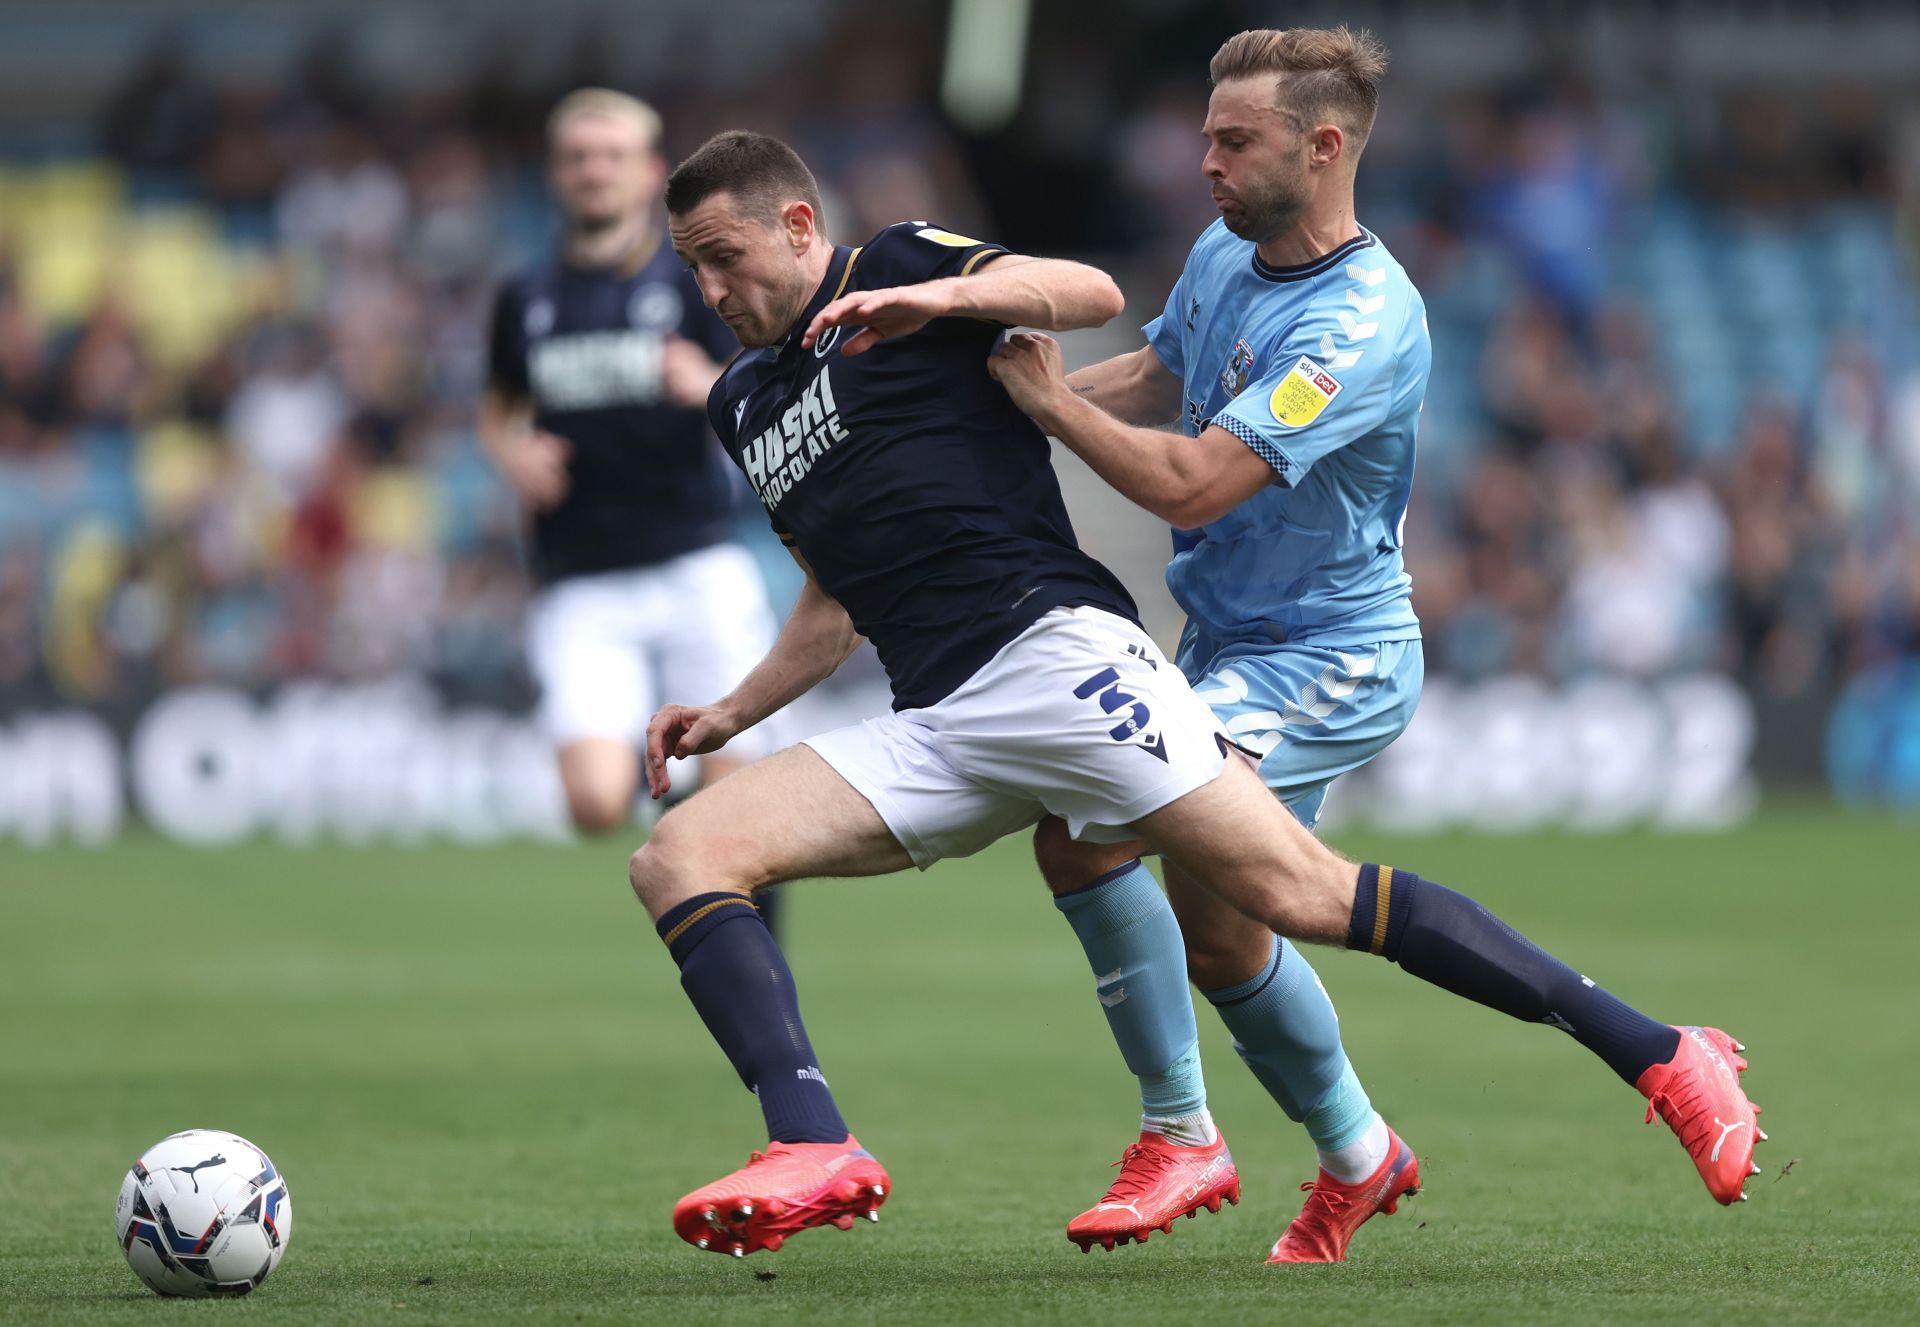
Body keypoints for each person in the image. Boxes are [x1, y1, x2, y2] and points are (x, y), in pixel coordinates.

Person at [631, 128, 1760, 1264]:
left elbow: (1088, 290)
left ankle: (1657, 1050)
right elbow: (831, 602)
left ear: (797, 225)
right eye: (691, 267)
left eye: (724, 255)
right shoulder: (742, 402)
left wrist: (932, 298)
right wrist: (731, 711)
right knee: (679, 855)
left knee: (1302, 896)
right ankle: (814, 1142)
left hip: (1059, 666)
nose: (711, 289)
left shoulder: (894, 270)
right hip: (940, 723)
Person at [986, 25, 1766, 1265]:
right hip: (1229, 639)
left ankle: (1651, 1054)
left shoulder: (1361, 321)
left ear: (1325, 144)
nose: (1205, 162)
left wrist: (1042, 407)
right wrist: (1030, 398)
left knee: (1088, 836)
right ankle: (1359, 1152)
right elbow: (1163, 375)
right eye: (1204, 136)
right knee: (1227, 928)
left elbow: (1192, 484)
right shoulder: (1223, 249)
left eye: (1233, 142)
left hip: (1329, 652)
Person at [480, 89, 780, 840]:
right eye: (577, 157)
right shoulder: (526, 296)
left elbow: (778, 383)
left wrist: (708, 386)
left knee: (738, 795)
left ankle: (725, 894)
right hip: (582, 576)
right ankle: (689, 829)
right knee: (594, 803)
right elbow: (498, 409)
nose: (593, 171)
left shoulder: (694, 282)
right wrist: (511, 451)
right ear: (555, 173)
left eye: (611, 155)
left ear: (651, 173)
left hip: (695, 560)